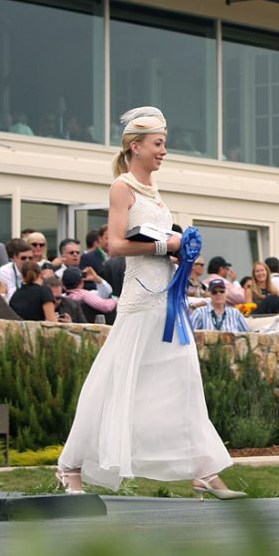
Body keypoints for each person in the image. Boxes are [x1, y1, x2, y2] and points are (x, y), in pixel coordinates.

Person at [57, 106, 241, 499]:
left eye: (164, 144)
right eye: (158, 144)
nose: (164, 152)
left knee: (185, 379)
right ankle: (70, 465)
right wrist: (168, 243)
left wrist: (177, 252)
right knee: (113, 379)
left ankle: (204, 470)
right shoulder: (122, 187)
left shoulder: (154, 192)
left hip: (166, 300)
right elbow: (117, 244)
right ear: (135, 146)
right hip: (141, 299)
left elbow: (153, 244)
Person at [8, 256, 57, 322]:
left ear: (23, 277)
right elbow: (51, 321)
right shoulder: (44, 291)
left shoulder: (16, 294)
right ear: (41, 274)